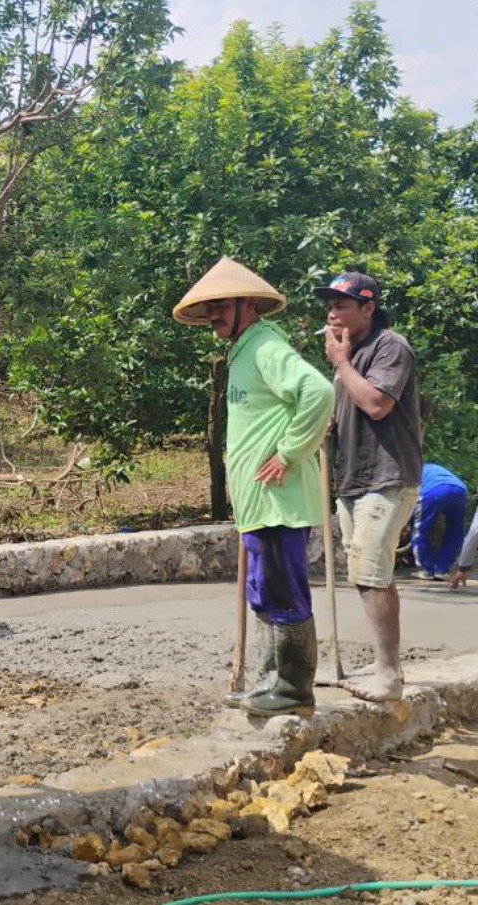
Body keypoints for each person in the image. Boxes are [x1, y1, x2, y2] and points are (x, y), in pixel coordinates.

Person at [174, 257, 334, 717]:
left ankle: (293, 689)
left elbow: (319, 391)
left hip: (279, 501)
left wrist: (289, 453)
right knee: (265, 591)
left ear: (248, 305)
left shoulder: (265, 347)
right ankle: (268, 684)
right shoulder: (244, 351)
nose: (213, 316)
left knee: (283, 592)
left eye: (222, 306)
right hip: (260, 505)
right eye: (210, 309)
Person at [318, 271, 422, 703]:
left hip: (387, 474)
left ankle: (389, 674)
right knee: (368, 574)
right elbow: (345, 413)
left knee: (370, 572)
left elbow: (378, 405)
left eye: (341, 305)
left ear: (368, 308)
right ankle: (385, 666)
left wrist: (341, 364)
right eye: (329, 306)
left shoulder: (389, 347)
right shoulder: (351, 355)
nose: (332, 314)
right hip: (353, 478)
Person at [411, 463, 468, 581]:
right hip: (460, 490)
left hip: (434, 491)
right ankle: (442, 570)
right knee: (456, 531)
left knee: (420, 530)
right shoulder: (431, 467)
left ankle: (426, 570)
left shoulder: (412, 470)